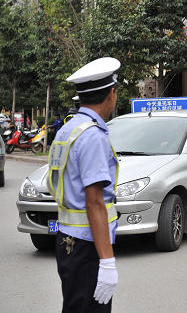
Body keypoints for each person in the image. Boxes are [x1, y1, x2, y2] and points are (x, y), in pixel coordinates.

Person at [47, 57, 120, 312]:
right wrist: (107, 261)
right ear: (111, 94)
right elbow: (95, 202)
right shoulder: (92, 136)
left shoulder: (68, 129)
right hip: (88, 247)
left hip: (68, 241)